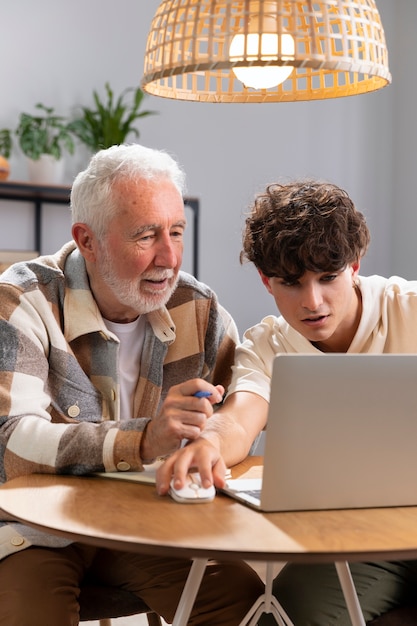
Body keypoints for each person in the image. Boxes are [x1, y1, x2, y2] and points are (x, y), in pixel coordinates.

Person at [0, 143, 264, 626]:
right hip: (31, 527)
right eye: (146, 236)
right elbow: (8, 442)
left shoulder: (197, 308)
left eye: (177, 232)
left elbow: (244, 408)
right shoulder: (21, 300)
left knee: (242, 599)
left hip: (147, 521)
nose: (169, 257)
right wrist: (143, 440)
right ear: (88, 240)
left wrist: (212, 435)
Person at [158, 179, 417, 625]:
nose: (312, 301)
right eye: (292, 283)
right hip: (357, 542)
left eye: (328, 278)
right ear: (266, 280)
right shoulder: (267, 345)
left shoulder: (409, 308)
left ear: (354, 265)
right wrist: (208, 445)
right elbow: (239, 420)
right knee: (286, 615)